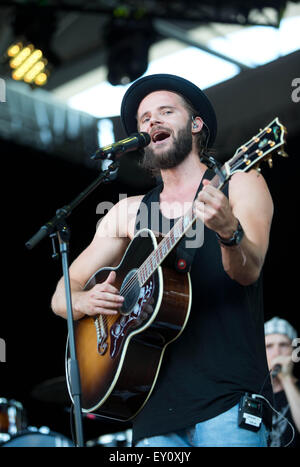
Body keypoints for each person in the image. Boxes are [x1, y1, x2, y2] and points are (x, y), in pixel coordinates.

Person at [51, 73, 274, 447]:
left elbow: (248, 272)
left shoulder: (240, 183)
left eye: (166, 111)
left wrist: (228, 231)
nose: (152, 121)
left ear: (196, 123)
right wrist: (89, 301)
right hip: (150, 410)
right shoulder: (127, 212)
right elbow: (62, 293)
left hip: (228, 400)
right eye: (144, 119)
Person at [264, 316, 300, 447]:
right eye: (269, 346)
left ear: (294, 351)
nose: (277, 353)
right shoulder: (250, 388)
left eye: (283, 345)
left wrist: (286, 379)